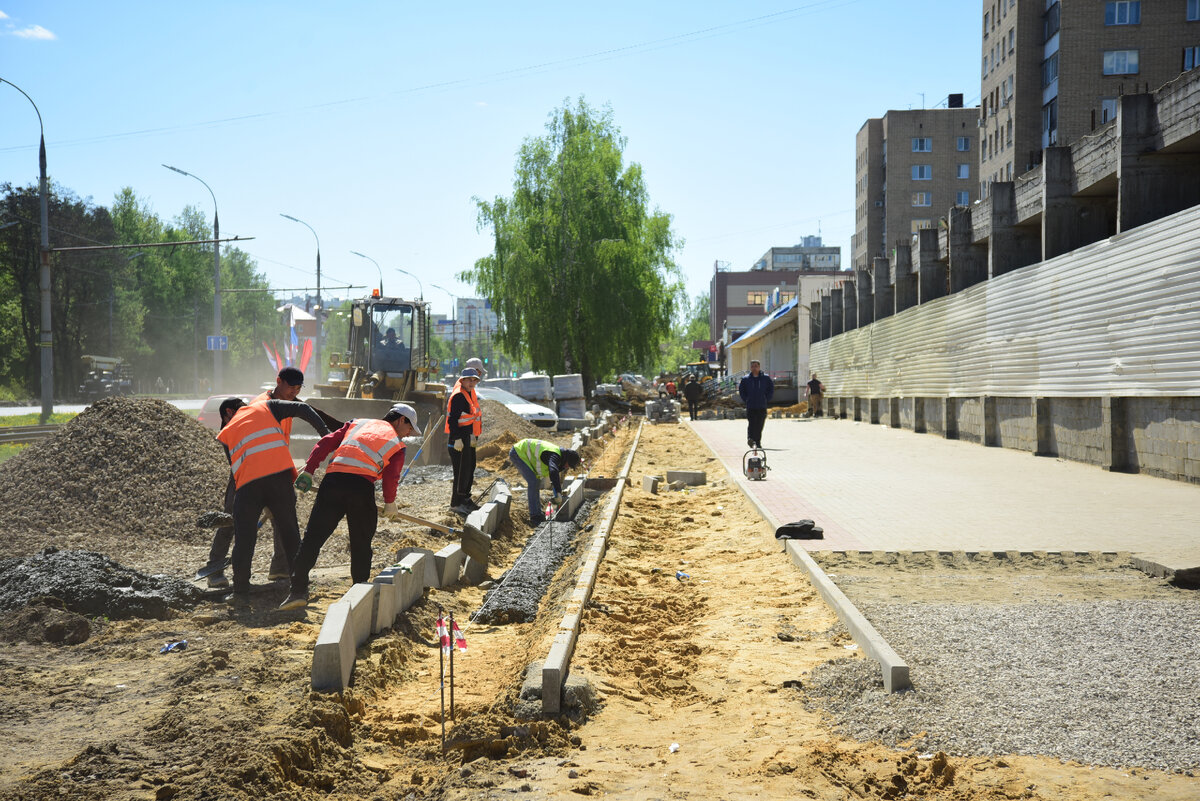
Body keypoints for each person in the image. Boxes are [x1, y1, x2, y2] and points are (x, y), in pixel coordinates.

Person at [280, 403, 420, 611]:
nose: (408, 435)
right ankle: (359, 595)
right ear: (401, 420)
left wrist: (309, 471)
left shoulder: (356, 424)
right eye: (409, 429)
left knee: (313, 538)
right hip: (360, 489)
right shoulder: (397, 445)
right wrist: (390, 503)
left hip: (332, 483)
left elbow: (325, 443)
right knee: (361, 543)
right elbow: (392, 477)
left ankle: (297, 591)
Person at [214, 395, 332, 606]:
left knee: (244, 539)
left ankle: (240, 594)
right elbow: (302, 408)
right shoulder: (267, 407)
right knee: (290, 535)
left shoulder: (225, 433)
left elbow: (236, 471)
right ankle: (299, 592)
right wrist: (325, 434)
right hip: (280, 479)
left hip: (249, 487)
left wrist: (253, 500)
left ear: (228, 414)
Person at [199, 367, 307, 588]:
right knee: (231, 519)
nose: (294, 392)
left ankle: (280, 570)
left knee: (281, 519)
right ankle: (216, 568)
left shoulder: (281, 407)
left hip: (274, 472)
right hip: (246, 473)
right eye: (291, 387)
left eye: (298, 389)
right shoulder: (253, 412)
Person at [508, 438, 582, 525]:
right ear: (566, 460)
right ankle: (535, 516)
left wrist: (557, 493)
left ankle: (537, 513)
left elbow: (554, 477)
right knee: (533, 482)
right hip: (518, 452)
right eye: (568, 465)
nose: (567, 467)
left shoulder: (559, 457)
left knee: (536, 482)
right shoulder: (554, 455)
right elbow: (553, 471)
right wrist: (558, 492)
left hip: (523, 453)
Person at [446, 367, 482, 515]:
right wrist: (457, 439)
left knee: (469, 469)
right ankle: (456, 503)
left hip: (467, 438)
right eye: (469, 379)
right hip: (458, 441)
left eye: (474, 380)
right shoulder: (459, 396)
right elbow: (453, 419)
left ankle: (465, 499)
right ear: (463, 380)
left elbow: (470, 417)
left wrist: (472, 435)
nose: (472, 382)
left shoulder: (469, 394)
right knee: (460, 473)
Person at [738, 359, 774, 449]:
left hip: (761, 406)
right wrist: (746, 399)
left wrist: (766, 399)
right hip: (751, 406)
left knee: (760, 424)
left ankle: (757, 442)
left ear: (759, 367)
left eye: (756, 366)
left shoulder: (765, 378)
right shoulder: (746, 379)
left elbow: (771, 389)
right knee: (752, 424)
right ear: (750, 368)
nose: (754, 368)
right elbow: (742, 391)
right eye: (752, 366)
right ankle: (750, 439)